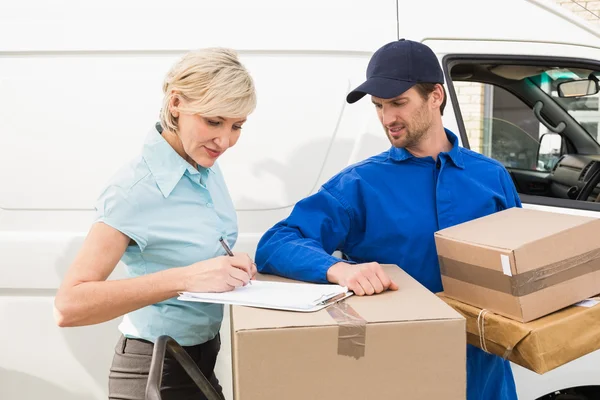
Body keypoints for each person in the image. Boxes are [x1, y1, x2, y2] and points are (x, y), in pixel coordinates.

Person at [255, 39, 520, 400]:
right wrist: (340, 271)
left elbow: (523, 262)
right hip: (398, 377)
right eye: (378, 106)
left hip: (486, 380)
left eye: (398, 103)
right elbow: (276, 243)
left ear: (436, 96)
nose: (387, 118)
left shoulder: (491, 177)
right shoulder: (359, 186)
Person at [53, 48, 258, 400]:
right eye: (213, 121)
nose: (225, 140)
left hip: (201, 363)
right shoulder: (134, 189)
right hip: (155, 371)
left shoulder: (202, 164)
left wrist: (224, 265)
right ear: (176, 103)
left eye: (236, 126)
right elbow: (69, 305)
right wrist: (187, 277)